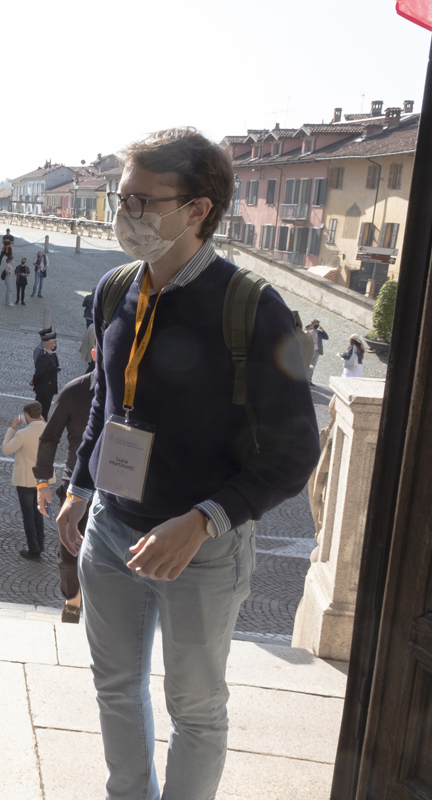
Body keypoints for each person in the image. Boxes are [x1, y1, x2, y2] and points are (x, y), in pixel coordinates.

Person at [57, 128, 319, 800]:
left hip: (201, 550)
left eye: (143, 202)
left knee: (195, 709)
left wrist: (203, 522)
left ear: (197, 210)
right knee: (115, 690)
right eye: (122, 198)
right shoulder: (116, 290)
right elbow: (106, 403)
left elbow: (295, 454)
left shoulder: (253, 309)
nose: (125, 214)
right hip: (111, 531)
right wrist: (80, 485)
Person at [34, 356, 98, 623]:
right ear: (94, 353)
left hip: (120, 491)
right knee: (70, 552)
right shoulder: (73, 392)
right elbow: (49, 437)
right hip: (76, 485)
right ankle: (73, 598)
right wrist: (42, 483)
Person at [2, 401, 46, 561]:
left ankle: (34, 549)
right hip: (42, 479)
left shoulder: (23, 434)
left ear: (26, 415)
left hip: (26, 480)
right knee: (38, 512)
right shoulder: (47, 429)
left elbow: (6, 449)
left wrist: (12, 428)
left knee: (28, 515)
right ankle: (40, 543)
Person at [30, 328, 59, 412]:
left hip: (47, 389)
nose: (55, 344)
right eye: (54, 342)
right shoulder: (44, 356)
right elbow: (39, 372)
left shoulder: (49, 355)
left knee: (44, 410)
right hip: (45, 389)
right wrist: (34, 381)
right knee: (42, 411)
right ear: (49, 345)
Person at [294, 312, 314, 384]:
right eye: (310, 328)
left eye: (312, 328)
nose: (312, 330)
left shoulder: (296, 335)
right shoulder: (304, 337)